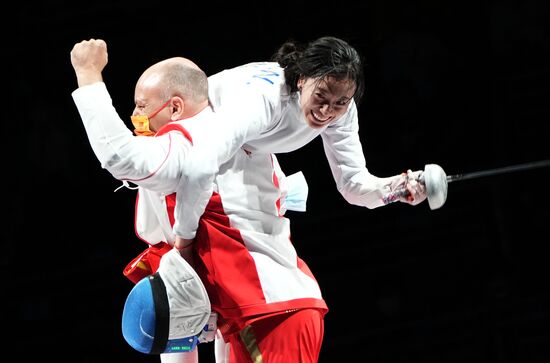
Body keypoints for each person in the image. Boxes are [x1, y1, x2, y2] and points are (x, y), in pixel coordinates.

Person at [71, 36, 428, 362]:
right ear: (302, 80)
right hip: (260, 293)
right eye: (322, 99)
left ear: (175, 107)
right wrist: (181, 249)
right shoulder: (244, 109)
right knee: (179, 309)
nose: (327, 111)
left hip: (271, 302)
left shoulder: (191, 141)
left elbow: (353, 184)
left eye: (340, 102)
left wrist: (397, 187)